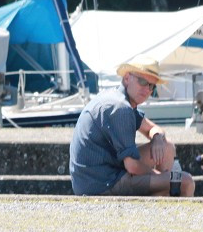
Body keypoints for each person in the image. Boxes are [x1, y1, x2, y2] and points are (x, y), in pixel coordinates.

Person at [69, 56, 195, 197]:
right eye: (143, 82)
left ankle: (160, 200)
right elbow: (132, 166)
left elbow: (152, 128)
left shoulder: (117, 98)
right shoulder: (120, 108)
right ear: (127, 78)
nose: (147, 90)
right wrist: (162, 177)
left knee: (167, 148)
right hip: (101, 184)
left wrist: (158, 138)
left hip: (96, 177)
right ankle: (165, 204)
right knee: (185, 181)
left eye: (152, 86)